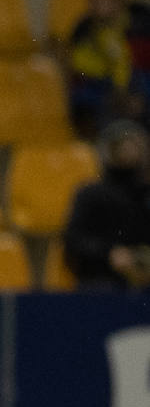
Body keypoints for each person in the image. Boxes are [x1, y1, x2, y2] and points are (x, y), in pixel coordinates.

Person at [63, 119, 150, 289]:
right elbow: (74, 240)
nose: (128, 152)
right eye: (121, 147)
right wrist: (109, 254)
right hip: (101, 281)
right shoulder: (90, 194)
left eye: (134, 146)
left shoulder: (145, 194)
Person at [66, 0, 150, 139]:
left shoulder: (142, 20)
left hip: (141, 93)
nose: (101, 3)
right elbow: (83, 74)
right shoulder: (83, 31)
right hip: (104, 98)